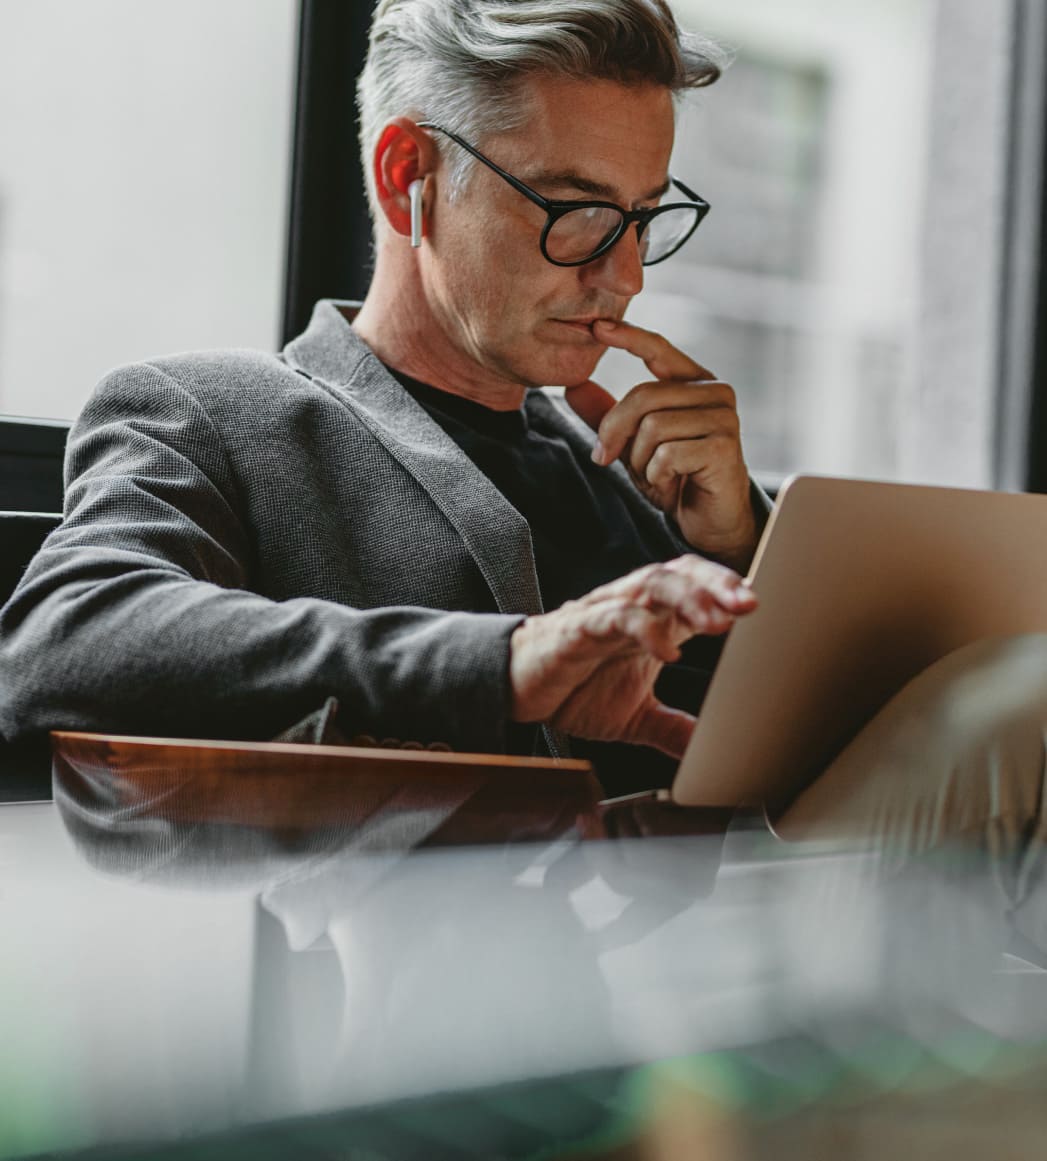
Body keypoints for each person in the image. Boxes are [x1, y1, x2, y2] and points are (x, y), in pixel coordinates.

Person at [2, 0, 1047, 910]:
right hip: (478, 958)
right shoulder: (216, 413)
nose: (625, 277)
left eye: (644, 218)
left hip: (753, 914)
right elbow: (64, 638)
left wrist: (744, 545)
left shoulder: (636, 469)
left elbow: (870, 751)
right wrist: (503, 663)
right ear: (408, 173)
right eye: (579, 213)